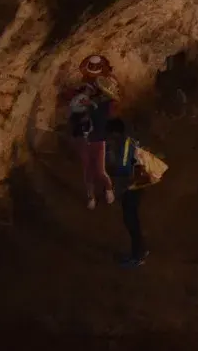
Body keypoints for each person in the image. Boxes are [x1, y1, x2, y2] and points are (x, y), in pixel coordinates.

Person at [61, 57, 119, 209]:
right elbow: (72, 105)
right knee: (88, 170)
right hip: (83, 135)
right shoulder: (82, 90)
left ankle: (108, 189)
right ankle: (91, 197)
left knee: (100, 170)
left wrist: (93, 103)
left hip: (97, 135)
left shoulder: (105, 95)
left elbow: (109, 112)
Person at [106, 118, 150, 268]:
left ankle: (138, 256)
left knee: (131, 221)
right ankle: (141, 251)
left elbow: (124, 169)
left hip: (132, 187)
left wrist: (110, 169)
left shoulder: (125, 144)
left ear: (115, 132)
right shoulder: (131, 141)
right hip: (136, 185)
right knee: (133, 220)